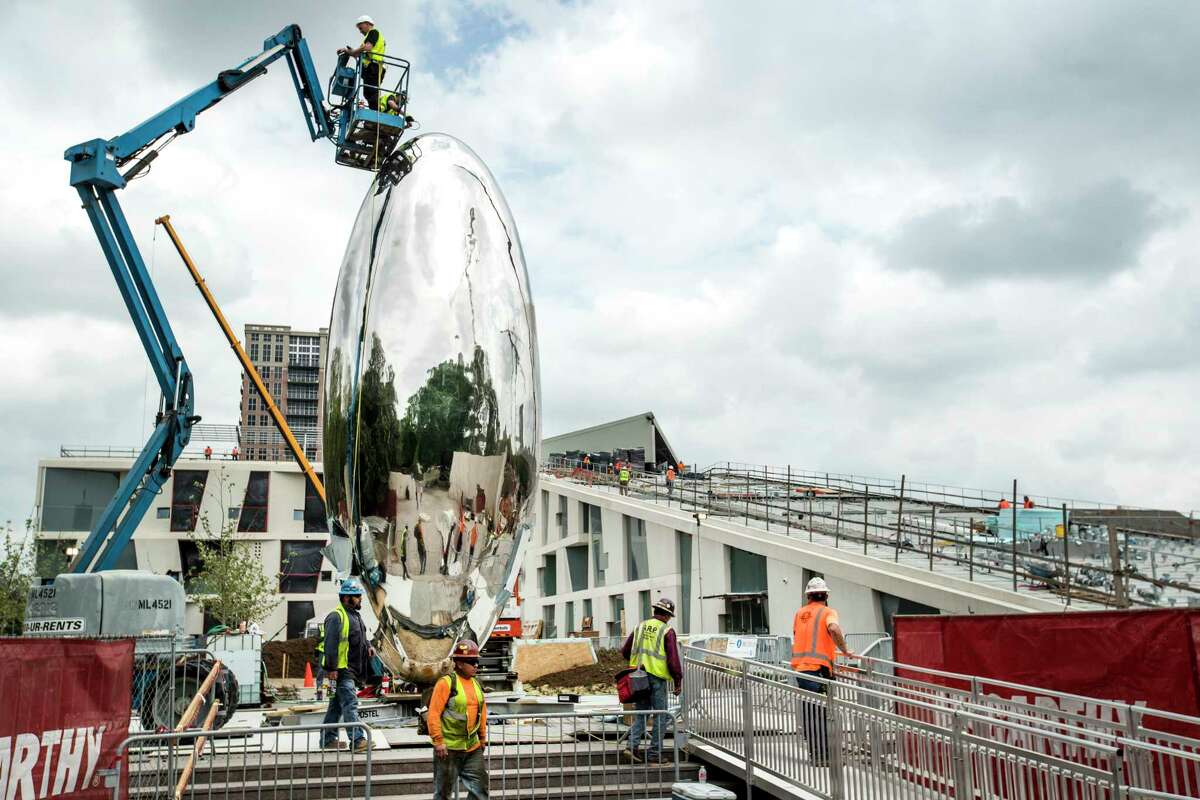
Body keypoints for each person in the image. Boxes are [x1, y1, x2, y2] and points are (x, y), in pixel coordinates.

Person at [791, 577, 854, 766]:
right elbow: (833, 628)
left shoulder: (799, 613)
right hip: (818, 671)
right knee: (821, 714)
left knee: (810, 714)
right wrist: (845, 650)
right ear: (826, 596)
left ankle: (817, 755)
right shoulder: (828, 612)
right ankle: (825, 756)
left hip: (801, 670)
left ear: (808, 596)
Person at [620, 598, 682, 765]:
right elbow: (673, 660)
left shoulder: (640, 627)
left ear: (655, 611)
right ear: (668, 615)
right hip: (656, 678)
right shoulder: (667, 630)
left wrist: (637, 663)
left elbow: (625, 651)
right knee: (661, 716)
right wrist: (678, 680)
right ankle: (654, 753)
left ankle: (632, 747)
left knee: (641, 713)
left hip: (638, 677)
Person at [429, 641, 489, 800]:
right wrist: (438, 741)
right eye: (472, 662)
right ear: (460, 663)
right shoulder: (446, 683)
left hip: (472, 747)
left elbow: (482, 713)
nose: (476, 665)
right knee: (443, 794)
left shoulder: (476, 683)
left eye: (477, 661)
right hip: (449, 749)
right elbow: (433, 713)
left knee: (480, 790)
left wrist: (482, 738)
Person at [321, 579, 375, 752]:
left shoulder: (355, 616)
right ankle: (357, 740)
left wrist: (368, 646)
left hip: (349, 670)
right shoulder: (336, 617)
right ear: (346, 598)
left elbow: (360, 637)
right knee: (350, 703)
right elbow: (330, 644)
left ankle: (327, 739)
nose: (360, 598)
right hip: (341, 671)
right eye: (357, 596)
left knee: (336, 706)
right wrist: (331, 669)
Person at [339, 16, 387, 112]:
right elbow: (358, 54)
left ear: (367, 24)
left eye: (361, 28)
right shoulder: (367, 38)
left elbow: (368, 47)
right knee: (368, 93)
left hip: (374, 67)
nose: (360, 31)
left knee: (372, 92)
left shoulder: (373, 32)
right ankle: (374, 112)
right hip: (370, 68)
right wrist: (348, 51)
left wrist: (354, 51)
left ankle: (377, 113)